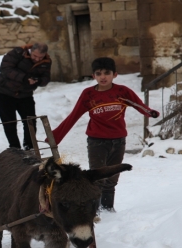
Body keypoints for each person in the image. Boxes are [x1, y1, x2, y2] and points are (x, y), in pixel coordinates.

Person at [50, 57, 160, 212]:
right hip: (97, 142)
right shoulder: (88, 94)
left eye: (107, 73)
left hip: (119, 141)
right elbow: (73, 116)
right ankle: (95, 210)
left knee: (113, 177)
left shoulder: (122, 91)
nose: (103, 77)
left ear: (114, 74)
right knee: (97, 177)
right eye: (98, 73)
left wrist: (150, 112)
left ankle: (108, 208)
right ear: (93, 75)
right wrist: (55, 136)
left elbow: (138, 104)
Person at [0, 42, 51, 150]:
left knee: (30, 122)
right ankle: (15, 148)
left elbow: (46, 78)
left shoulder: (46, 61)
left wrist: (38, 81)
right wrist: (24, 78)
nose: (37, 59)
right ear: (31, 51)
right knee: (9, 123)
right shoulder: (17, 53)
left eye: (40, 57)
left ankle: (30, 146)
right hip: (5, 93)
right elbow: (5, 69)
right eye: (35, 56)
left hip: (25, 95)